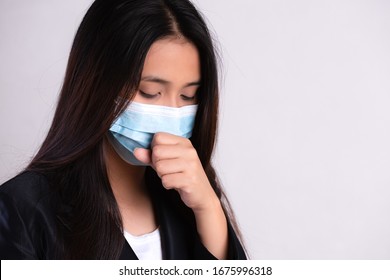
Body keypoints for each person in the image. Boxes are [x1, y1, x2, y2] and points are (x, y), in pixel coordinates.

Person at [0, 0, 246, 260]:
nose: (172, 113)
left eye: (188, 96)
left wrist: (208, 208)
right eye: (150, 93)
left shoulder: (192, 198)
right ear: (97, 84)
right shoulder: (21, 211)